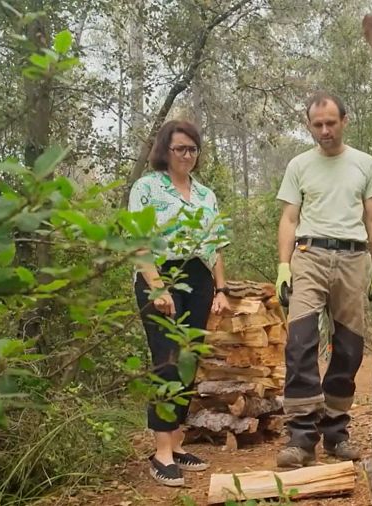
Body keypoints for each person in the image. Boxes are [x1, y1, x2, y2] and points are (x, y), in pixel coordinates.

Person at [274, 92, 372, 468]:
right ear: (309, 125)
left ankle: (336, 432)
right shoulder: (299, 165)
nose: (324, 131)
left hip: (354, 258)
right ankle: (301, 437)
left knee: (350, 348)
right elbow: (289, 218)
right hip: (309, 255)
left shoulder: (364, 163)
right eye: (317, 125)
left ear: (344, 120)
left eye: (330, 123)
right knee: (300, 343)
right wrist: (283, 266)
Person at [128, 119, 231, 487]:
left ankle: (176, 443)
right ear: (165, 151)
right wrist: (157, 287)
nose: (187, 155)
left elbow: (215, 246)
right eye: (179, 148)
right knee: (167, 360)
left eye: (192, 149)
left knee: (188, 362)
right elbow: (139, 241)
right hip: (160, 276)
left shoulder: (206, 195)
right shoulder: (147, 187)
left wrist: (221, 291)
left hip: (199, 279)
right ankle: (161, 452)